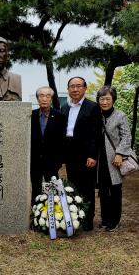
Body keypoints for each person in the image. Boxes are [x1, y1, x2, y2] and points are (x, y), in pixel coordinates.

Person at [61, 77, 101, 231]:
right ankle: (76, 216)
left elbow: (96, 134)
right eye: (72, 86)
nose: (75, 89)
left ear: (85, 88)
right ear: (68, 89)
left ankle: (88, 220)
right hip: (70, 153)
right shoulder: (65, 107)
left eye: (78, 86)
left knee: (88, 187)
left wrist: (93, 155)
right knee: (73, 186)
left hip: (86, 154)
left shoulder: (92, 107)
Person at [96, 86, 132, 232]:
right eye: (101, 99)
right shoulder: (96, 114)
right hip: (99, 159)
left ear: (113, 100)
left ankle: (115, 220)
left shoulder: (120, 115)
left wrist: (120, 154)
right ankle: (105, 219)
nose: (104, 102)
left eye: (107, 99)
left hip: (115, 159)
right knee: (103, 190)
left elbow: (126, 137)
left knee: (115, 189)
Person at [31, 86, 66, 203]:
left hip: (52, 161)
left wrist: (59, 161)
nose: (44, 99)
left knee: (51, 190)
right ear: (37, 99)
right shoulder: (31, 115)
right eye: (41, 96)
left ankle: (51, 216)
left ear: (51, 99)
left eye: (48, 96)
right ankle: (36, 214)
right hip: (34, 161)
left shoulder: (59, 116)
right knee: (35, 188)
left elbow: (62, 140)